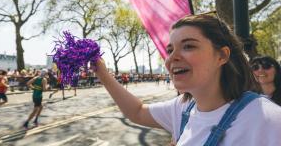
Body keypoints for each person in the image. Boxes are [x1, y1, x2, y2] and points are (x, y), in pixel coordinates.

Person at [92, 14, 281, 145]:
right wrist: (102, 73)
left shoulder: (267, 119)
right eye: (169, 50)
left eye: (188, 46)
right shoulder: (183, 107)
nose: (172, 58)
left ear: (222, 56)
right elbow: (138, 112)